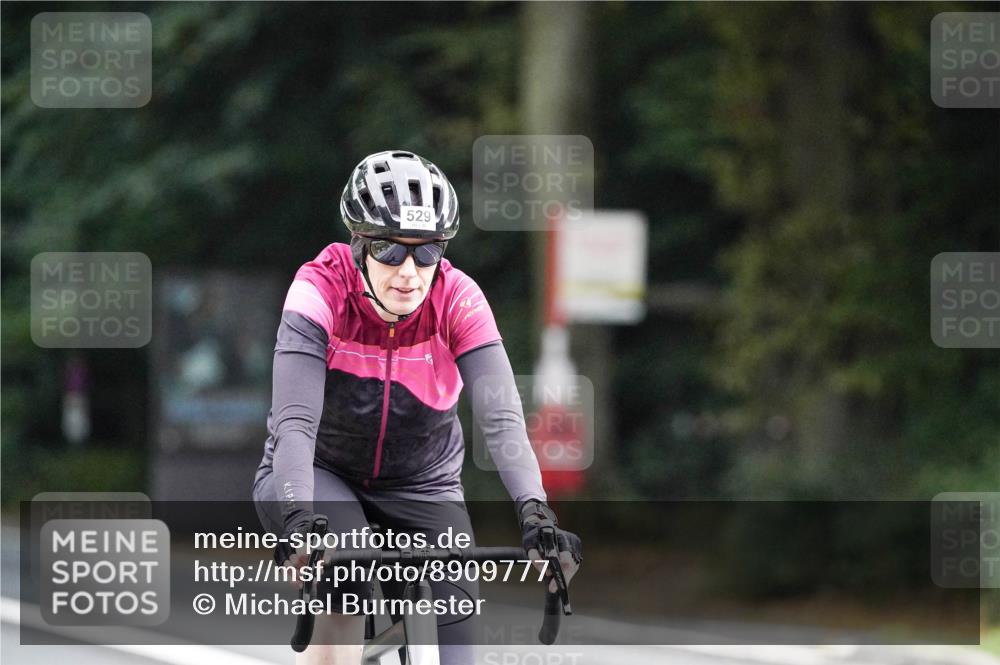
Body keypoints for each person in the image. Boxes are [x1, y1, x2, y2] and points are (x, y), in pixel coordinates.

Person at [251, 150, 582, 665]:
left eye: (426, 252)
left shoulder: (458, 298)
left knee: (460, 632)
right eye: (389, 251)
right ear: (358, 246)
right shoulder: (320, 288)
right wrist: (297, 518)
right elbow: (295, 422)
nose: (409, 272)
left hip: (423, 482)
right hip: (321, 472)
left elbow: (500, 418)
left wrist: (535, 513)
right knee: (346, 581)